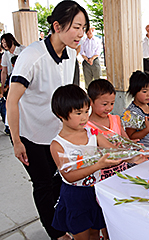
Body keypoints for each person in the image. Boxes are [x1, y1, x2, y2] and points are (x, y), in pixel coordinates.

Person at [6, 1, 90, 239]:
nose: (80, 33)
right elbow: (12, 100)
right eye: (76, 27)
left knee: (61, 183)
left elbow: (68, 94)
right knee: (43, 186)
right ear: (57, 26)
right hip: (31, 136)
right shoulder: (32, 56)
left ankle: (64, 225)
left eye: (83, 27)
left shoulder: (71, 54)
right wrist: (16, 141)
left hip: (58, 135)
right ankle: (56, 234)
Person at [50, 84, 145, 240]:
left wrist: (134, 156)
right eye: (78, 113)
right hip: (75, 195)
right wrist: (99, 165)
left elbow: (114, 152)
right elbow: (69, 176)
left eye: (86, 111)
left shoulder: (92, 134)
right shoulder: (58, 145)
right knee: (81, 234)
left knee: (96, 231)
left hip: (96, 190)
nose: (84, 117)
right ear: (60, 114)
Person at [85, 79, 136, 179]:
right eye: (104, 104)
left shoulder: (116, 120)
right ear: (90, 102)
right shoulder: (86, 126)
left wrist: (132, 144)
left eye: (112, 103)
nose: (109, 108)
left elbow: (125, 141)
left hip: (121, 170)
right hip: (100, 175)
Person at [123, 70, 149, 152]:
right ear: (134, 91)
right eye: (144, 91)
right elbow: (131, 136)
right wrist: (147, 129)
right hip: (142, 156)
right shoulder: (131, 113)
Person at [1, 34, 25, 135]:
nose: (4, 45)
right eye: (2, 43)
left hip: (24, 80)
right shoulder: (5, 55)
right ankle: (9, 125)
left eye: (5, 42)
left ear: (11, 40)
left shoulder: (23, 50)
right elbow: (4, 71)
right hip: (12, 81)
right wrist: (2, 86)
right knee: (12, 102)